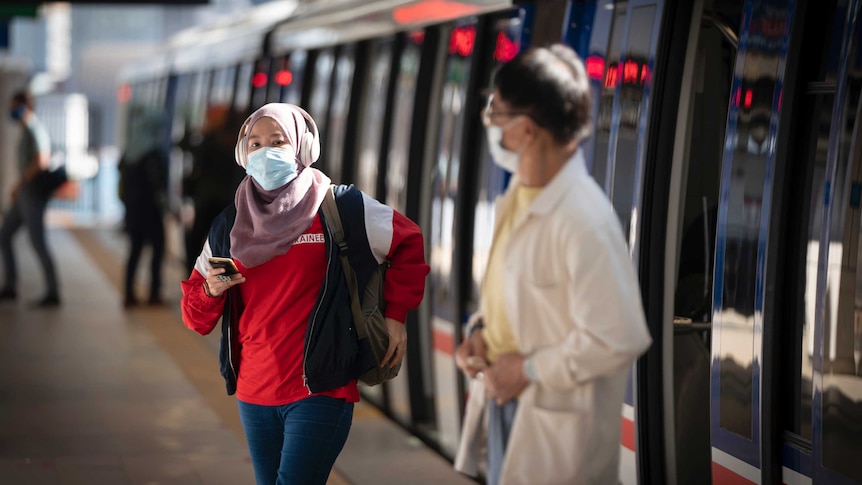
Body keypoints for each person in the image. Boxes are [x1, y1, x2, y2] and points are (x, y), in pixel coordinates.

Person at [180, 103, 429, 485]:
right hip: (253, 390)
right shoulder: (229, 225)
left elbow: (408, 241)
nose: (266, 152)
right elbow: (195, 318)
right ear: (243, 153)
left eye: (277, 141)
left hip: (320, 387)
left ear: (301, 146)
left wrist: (396, 317)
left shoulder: (340, 207)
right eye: (256, 143)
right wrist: (211, 291)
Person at [453, 44, 652, 484]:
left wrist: (527, 369)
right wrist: (482, 334)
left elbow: (617, 337)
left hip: (555, 428)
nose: (492, 127)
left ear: (525, 130)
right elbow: (517, 295)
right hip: (509, 405)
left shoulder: (583, 219)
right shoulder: (519, 199)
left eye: (497, 115)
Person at [0, 90, 61, 307]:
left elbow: (42, 160)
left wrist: (20, 183)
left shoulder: (35, 129)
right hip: (24, 194)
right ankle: (10, 286)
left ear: (27, 106)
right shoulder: (26, 130)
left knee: (38, 242)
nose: (12, 111)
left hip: (32, 193)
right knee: (4, 236)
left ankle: (53, 292)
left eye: (16, 107)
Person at [118, 107, 169, 308]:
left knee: (135, 251)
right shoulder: (153, 153)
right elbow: (158, 185)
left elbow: (122, 181)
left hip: (133, 210)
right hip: (151, 211)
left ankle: (129, 294)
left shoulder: (129, 150)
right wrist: (166, 207)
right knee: (157, 250)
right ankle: (154, 293)